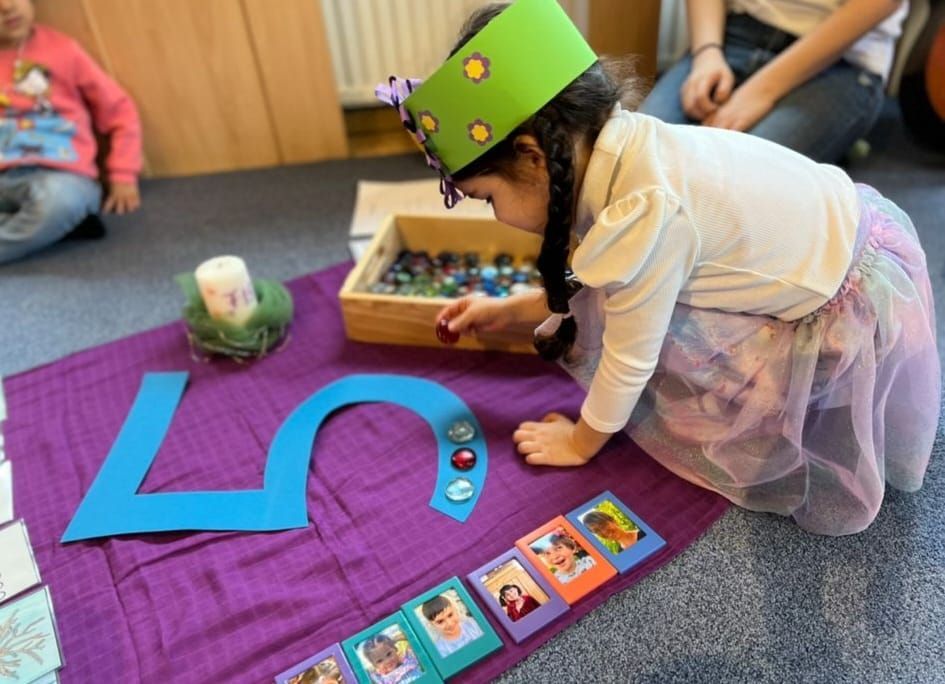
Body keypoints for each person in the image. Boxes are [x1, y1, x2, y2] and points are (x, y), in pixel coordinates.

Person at [377, 0, 939, 536]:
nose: (496, 217)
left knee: (664, 351)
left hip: (842, 312)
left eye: (487, 199)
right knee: (639, 299)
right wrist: (509, 311)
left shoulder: (642, 214)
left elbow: (628, 359)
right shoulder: (628, 144)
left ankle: (788, 382)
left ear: (532, 155)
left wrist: (579, 441)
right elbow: (597, 280)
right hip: (858, 236)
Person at [638, 0, 909, 163]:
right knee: (638, 156)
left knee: (735, 179)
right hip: (735, 34)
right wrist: (707, 53)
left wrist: (760, 92)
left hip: (841, 61)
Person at [0, 0, 142, 264]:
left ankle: (51, 223)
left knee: (60, 202)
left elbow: (120, 110)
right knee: (48, 214)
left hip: (60, 176)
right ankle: (60, 228)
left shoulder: (63, 50)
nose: (6, 7)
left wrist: (123, 173)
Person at [419, 594, 484, 656]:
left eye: (450, 615)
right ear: (432, 625)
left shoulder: (473, 624)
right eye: (440, 621)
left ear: (455, 610)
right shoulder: (439, 650)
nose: (449, 623)